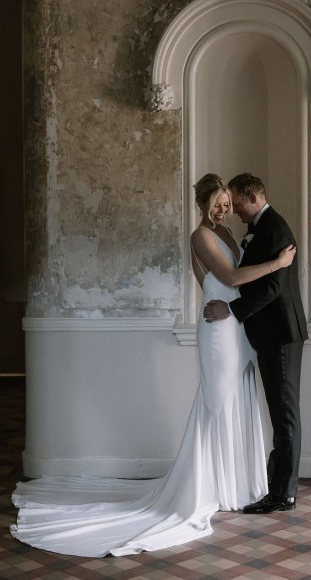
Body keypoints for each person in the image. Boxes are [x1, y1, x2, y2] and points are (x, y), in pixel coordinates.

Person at [10, 174, 295, 557]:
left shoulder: (229, 235)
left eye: (228, 204)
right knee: (218, 399)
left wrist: (237, 298)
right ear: (203, 206)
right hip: (219, 326)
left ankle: (238, 484)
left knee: (239, 397)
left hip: (236, 325)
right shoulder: (201, 236)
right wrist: (278, 263)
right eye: (218, 206)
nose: (224, 211)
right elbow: (228, 277)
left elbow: (230, 284)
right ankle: (208, 485)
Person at [204, 173, 308, 514]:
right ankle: (278, 487)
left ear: (251, 196)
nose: (234, 210)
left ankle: (283, 494)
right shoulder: (262, 228)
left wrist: (232, 309)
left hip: (279, 334)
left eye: (235, 203)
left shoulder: (274, 227)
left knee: (284, 414)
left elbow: (272, 287)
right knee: (281, 414)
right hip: (269, 333)